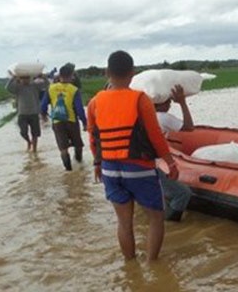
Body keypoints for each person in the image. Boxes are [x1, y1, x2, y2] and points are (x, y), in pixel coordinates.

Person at [87, 50, 180, 261]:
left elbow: (94, 139)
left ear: (106, 72)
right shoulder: (140, 99)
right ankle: (152, 265)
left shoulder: (94, 102)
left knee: (124, 223)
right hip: (139, 168)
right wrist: (170, 162)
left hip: (110, 169)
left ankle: (131, 268)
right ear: (132, 73)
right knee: (156, 218)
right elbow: (156, 136)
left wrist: (97, 165)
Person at [154, 84, 194, 222]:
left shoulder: (145, 115)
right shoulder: (163, 117)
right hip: (149, 166)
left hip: (138, 164)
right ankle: (171, 224)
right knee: (183, 193)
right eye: (168, 101)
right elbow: (189, 127)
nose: (170, 104)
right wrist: (182, 103)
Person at [40, 64, 87, 171]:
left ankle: (69, 171)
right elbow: (79, 109)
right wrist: (85, 122)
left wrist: (44, 116)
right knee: (78, 145)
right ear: (71, 76)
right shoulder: (74, 90)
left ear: (59, 75)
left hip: (57, 122)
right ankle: (79, 166)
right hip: (71, 121)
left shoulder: (51, 88)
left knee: (63, 149)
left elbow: (43, 106)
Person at [6, 73, 49, 152]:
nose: (25, 80)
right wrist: (13, 78)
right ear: (20, 79)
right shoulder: (18, 87)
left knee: (35, 133)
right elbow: (8, 88)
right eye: (23, 78)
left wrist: (44, 77)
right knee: (23, 132)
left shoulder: (35, 85)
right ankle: (29, 142)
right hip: (22, 113)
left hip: (34, 113)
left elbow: (47, 85)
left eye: (27, 78)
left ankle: (34, 150)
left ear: (30, 78)